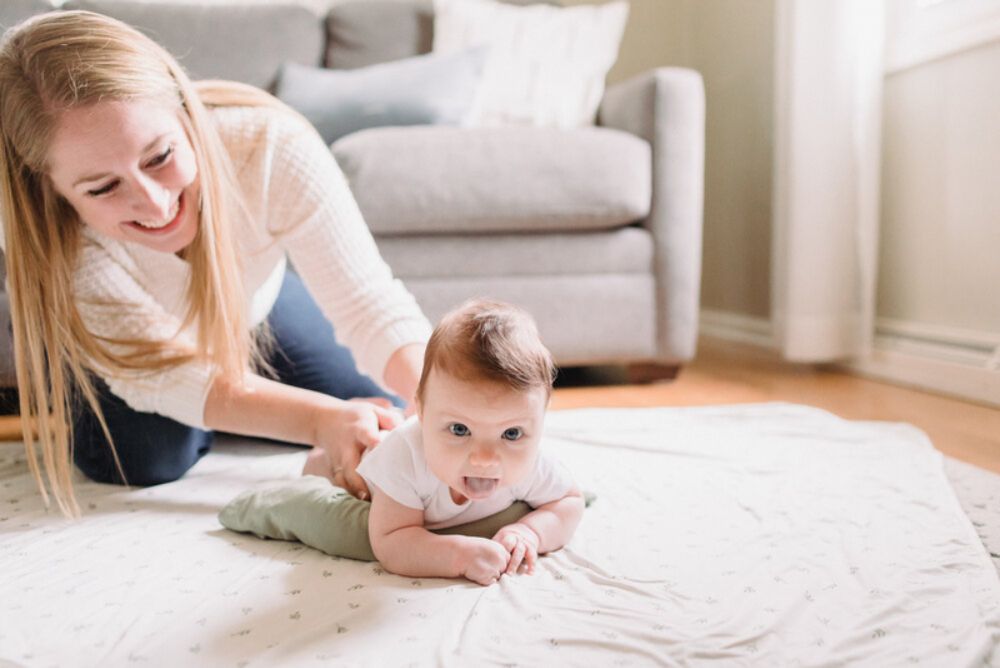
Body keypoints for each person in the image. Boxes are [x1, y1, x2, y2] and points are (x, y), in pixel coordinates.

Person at [0, 10, 431, 517]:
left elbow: (370, 304)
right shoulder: (49, 231)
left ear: (185, 111)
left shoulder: (269, 145)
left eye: (159, 156)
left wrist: (445, 403)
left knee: (372, 402)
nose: (156, 205)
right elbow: (165, 374)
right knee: (146, 458)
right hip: (129, 351)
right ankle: (231, 410)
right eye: (103, 187)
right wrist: (317, 422)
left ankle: (244, 403)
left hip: (248, 308)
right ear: (50, 185)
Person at [359, 299, 585, 585]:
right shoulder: (404, 456)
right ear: (422, 412)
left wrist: (531, 533)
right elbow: (391, 540)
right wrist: (458, 556)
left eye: (511, 434)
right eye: (459, 429)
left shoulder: (532, 464)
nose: (484, 458)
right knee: (349, 454)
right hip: (369, 459)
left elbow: (569, 502)